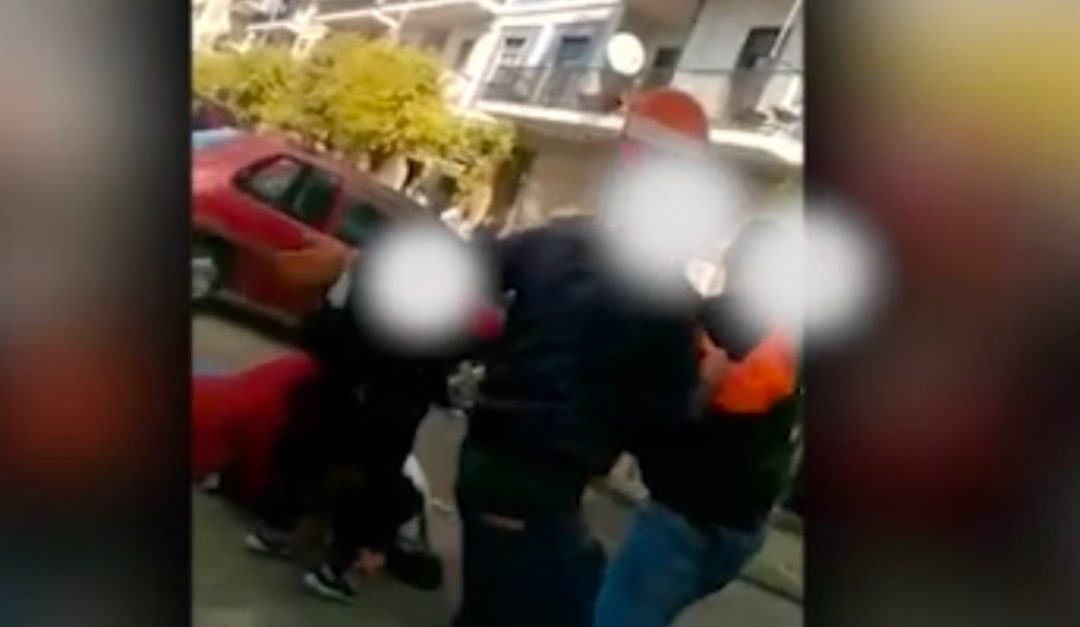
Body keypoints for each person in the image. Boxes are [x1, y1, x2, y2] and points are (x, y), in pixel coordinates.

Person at [453, 209, 702, 627]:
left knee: (497, 598)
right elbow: (670, 418)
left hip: (485, 450)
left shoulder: (556, 241)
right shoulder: (670, 302)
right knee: (557, 603)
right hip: (544, 477)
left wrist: (496, 340)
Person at [593, 219, 803, 627]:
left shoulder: (707, 324)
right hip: (744, 529)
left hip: (685, 518)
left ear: (733, 261)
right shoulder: (791, 340)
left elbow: (662, 408)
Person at [245, 255, 464, 602]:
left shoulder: (370, 273)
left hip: (348, 389)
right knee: (375, 476)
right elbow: (438, 367)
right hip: (383, 399)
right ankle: (339, 564)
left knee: (316, 445)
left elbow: (324, 324)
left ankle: (280, 526)